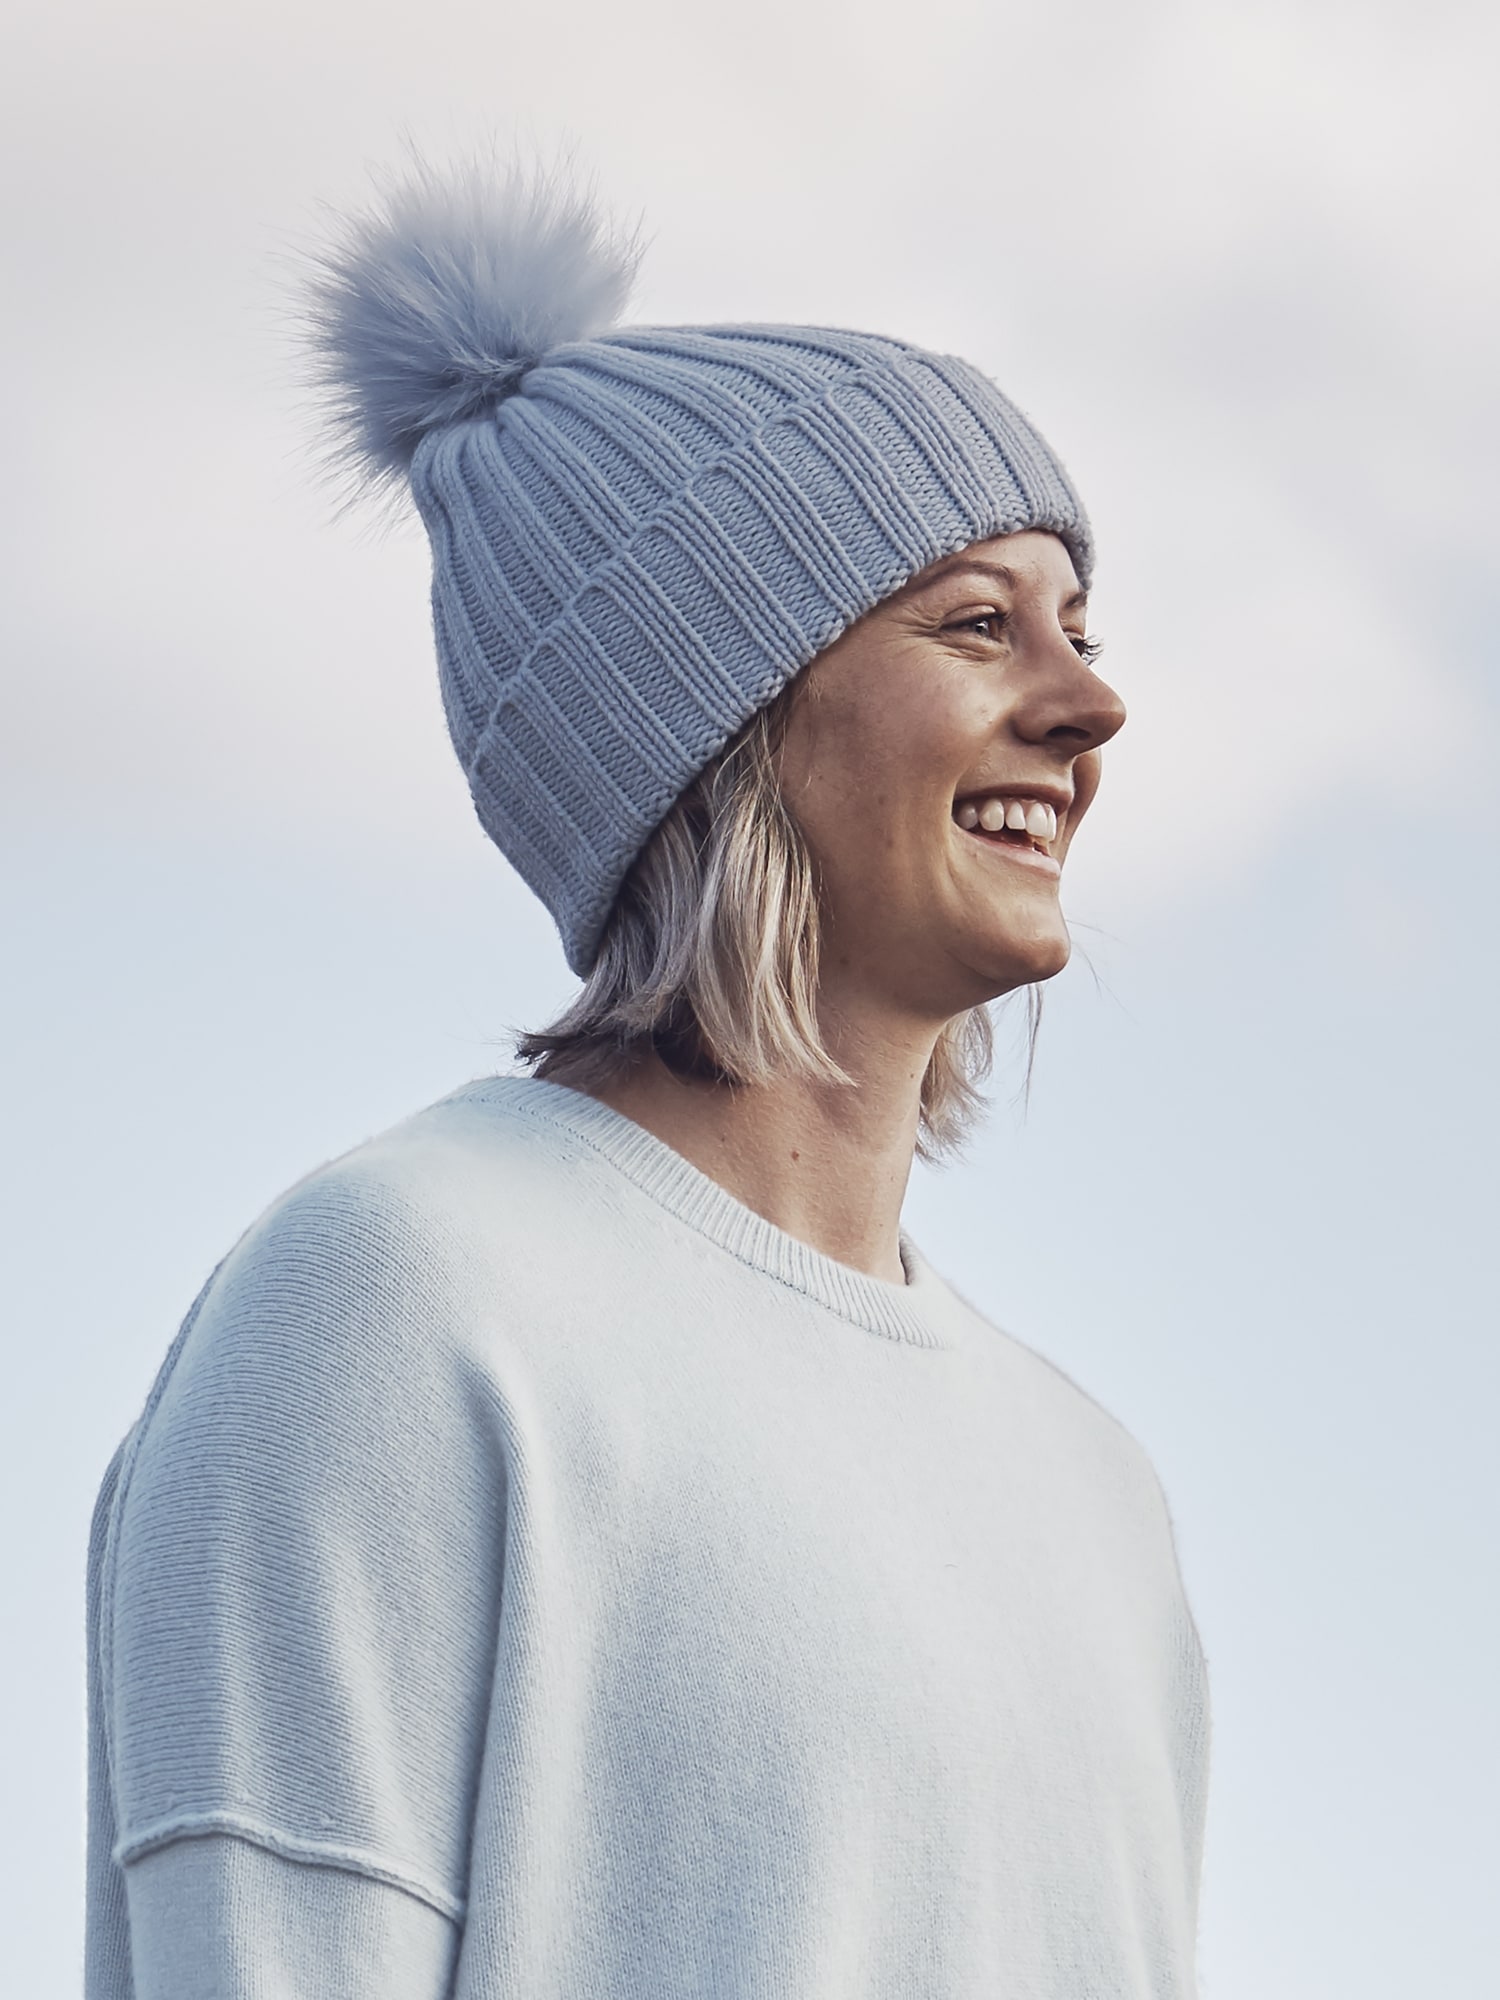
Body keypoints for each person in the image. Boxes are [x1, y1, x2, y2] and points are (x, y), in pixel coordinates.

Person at [85, 156, 1210, 1999]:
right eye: (974, 624)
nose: (1088, 705)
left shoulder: (1099, 1490)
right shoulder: (398, 1305)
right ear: (725, 726)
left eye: (1080, 626)